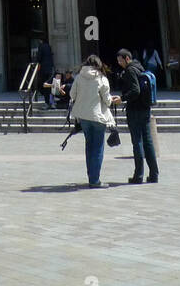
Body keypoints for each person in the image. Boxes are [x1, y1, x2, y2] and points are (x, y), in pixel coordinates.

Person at [68, 54, 119, 188]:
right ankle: (95, 180)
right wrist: (112, 99)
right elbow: (107, 101)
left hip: (83, 117)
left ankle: (91, 176)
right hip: (97, 117)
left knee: (89, 146)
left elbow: (72, 95)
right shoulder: (101, 78)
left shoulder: (79, 77)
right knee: (97, 148)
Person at [116, 48, 159, 184]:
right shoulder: (139, 67)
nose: (119, 63)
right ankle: (154, 174)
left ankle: (138, 175)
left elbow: (135, 90)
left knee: (137, 142)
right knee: (147, 141)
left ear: (127, 58)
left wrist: (122, 98)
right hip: (145, 108)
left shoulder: (130, 70)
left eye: (120, 60)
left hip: (135, 110)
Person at [36, 38, 55, 107]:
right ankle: (51, 102)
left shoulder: (41, 46)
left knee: (45, 85)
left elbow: (39, 57)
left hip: (44, 69)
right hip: (50, 69)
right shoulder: (49, 47)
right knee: (50, 86)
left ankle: (47, 102)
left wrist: (37, 61)